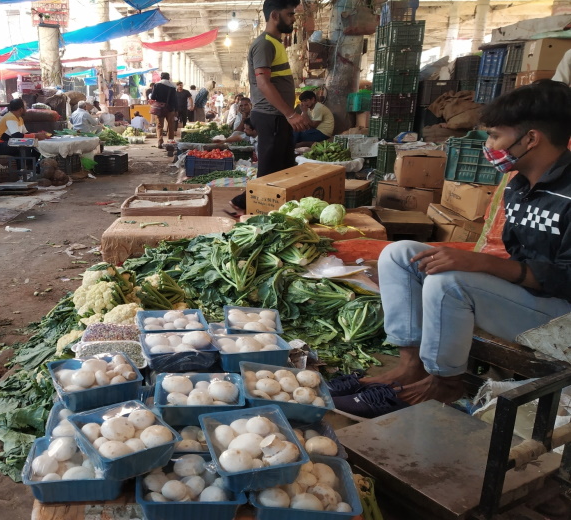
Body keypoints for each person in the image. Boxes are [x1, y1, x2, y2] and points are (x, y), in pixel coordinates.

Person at [330, 80, 571, 417]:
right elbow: (518, 256)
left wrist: (481, 265)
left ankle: (444, 383)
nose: (489, 146)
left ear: (531, 138)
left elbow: (565, 278)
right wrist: (481, 266)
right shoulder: (519, 185)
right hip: (528, 297)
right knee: (399, 255)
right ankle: (411, 365)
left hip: (560, 319)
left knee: (450, 283)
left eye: (495, 136)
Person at [229, 0, 311, 214]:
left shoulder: (275, 43)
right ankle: (247, 204)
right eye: (290, 14)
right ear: (275, 15)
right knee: (269, 168)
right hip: (271, 116)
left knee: (283, 166)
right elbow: (263, 83)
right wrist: (290, 113)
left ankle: (268, 206)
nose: (294, 18)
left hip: (278, 117)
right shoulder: (264, 44)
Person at [150, 72, 178, 148]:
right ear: (168, 77)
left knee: (159, 125)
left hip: (160, 108)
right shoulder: (173, 86)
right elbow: (175, 99)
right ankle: (170, 141)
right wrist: (176, 109)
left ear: (161, 77)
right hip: (170, 108)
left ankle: (160, 141)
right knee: (170, 125)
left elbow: (152, 97)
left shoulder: (157, 85)